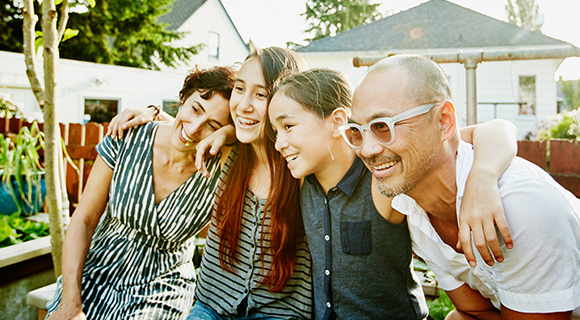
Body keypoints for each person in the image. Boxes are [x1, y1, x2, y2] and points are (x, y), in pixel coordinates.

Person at [267, 68, 518, 320]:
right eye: (275, 131)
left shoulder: (384, 175)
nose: (278, 143)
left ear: (337, 122)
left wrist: (483, 176)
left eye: (288, 126)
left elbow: (497, 128)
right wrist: (225, 133)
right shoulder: (300, 181)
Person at [345, 54, 580, 319]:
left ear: (444, 120)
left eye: (383, 126)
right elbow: (473, 311)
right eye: (356, 131)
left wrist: (484, 175)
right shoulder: (412, 209)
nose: (367, 149)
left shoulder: (521, 207)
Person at [110, 47, 313, 320]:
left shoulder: (302, 169)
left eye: (261, 94)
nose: (244, 104)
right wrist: (154, 113)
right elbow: (191, 130)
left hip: (280, 311)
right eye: (240, 89)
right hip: (213, 305)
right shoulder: (227, 153)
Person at [45, 65, 236, 320]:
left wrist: (232, 131)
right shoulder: (127, 136)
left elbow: (268, 136)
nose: (193, 130)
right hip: (94, 272)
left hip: (162, 288)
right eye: (195, 109)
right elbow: (84, 219)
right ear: (183, 99)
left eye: (213, 125)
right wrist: (70, 299)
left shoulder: (224, 170)